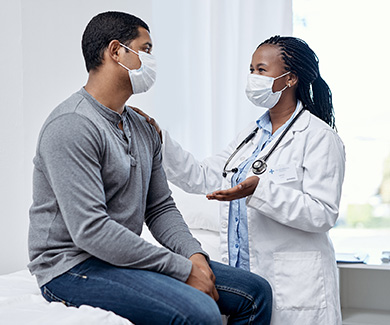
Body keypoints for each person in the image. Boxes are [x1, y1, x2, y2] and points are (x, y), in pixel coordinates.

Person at [27, 11, 273, 325]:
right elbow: (91, 231)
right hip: (72, 267)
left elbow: (159, 207)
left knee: (255, 292)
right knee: (200, 312)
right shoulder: (72, 125)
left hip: (116, 260)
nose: (151, 59)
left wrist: (194, 256)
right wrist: (182, 270)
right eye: (146, 49)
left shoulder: (142, 128)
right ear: (116, 51)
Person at [137, 35, 346, 324]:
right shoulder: (251, 134)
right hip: (247, 282)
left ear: (290, 79)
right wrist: (160, 139)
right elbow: (203, 176)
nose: (253, 77)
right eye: (251, 70)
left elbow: (323, 213)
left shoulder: (319, 137)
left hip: (295, 287)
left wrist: (260, 191)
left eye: (261, 70)